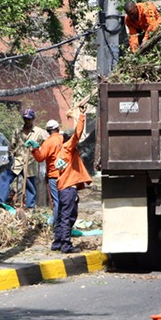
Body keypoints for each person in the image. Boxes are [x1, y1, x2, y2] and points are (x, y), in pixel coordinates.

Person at [52, 105, 92, 253]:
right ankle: (66, 245)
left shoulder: (61, 153)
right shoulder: (68, 148)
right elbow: (78, 133)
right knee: (68, 217)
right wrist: (81, 116)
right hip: (69, 189)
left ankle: (57, 243)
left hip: (63, 188)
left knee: (62, 216)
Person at [0, 109, 48, 210]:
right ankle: (0, 202)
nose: (27, 121)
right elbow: (12, 146)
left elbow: (49, 141)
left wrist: (38, 147)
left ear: (33, 119)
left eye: (29, 119)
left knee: (30, 187)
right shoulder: (17, 131)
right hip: (17, 161)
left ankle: (30, 207)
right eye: (25, 119)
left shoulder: (40, 132)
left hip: (30, 163)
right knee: (5, 177)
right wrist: (11, 155)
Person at [27, 119, 64, 226]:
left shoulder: (48, 143)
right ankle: (65, 223)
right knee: (65, 200)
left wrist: (35, 148)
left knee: (56, 201)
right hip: (66, 175)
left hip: (54, 176)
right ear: (58, 128)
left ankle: (57, 225)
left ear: (48, 131)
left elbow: (40, 158)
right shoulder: (64, 139)